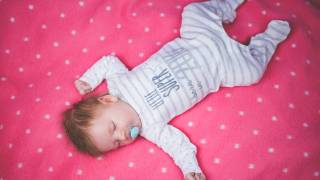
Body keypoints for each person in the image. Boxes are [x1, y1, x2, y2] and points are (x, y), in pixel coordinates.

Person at [62, 0, 291, 179]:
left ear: (108, 100)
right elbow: (177, 145)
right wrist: (190, 168)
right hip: (221, 68)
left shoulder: (119, 84)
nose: (122, 136)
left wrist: (88, 80)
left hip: (198, 38)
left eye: (113, 128)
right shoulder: (150, 128)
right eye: (117, 143)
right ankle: (268, 41)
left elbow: (108, 62)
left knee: (193, 11)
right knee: (252, 73)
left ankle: (226, 5)